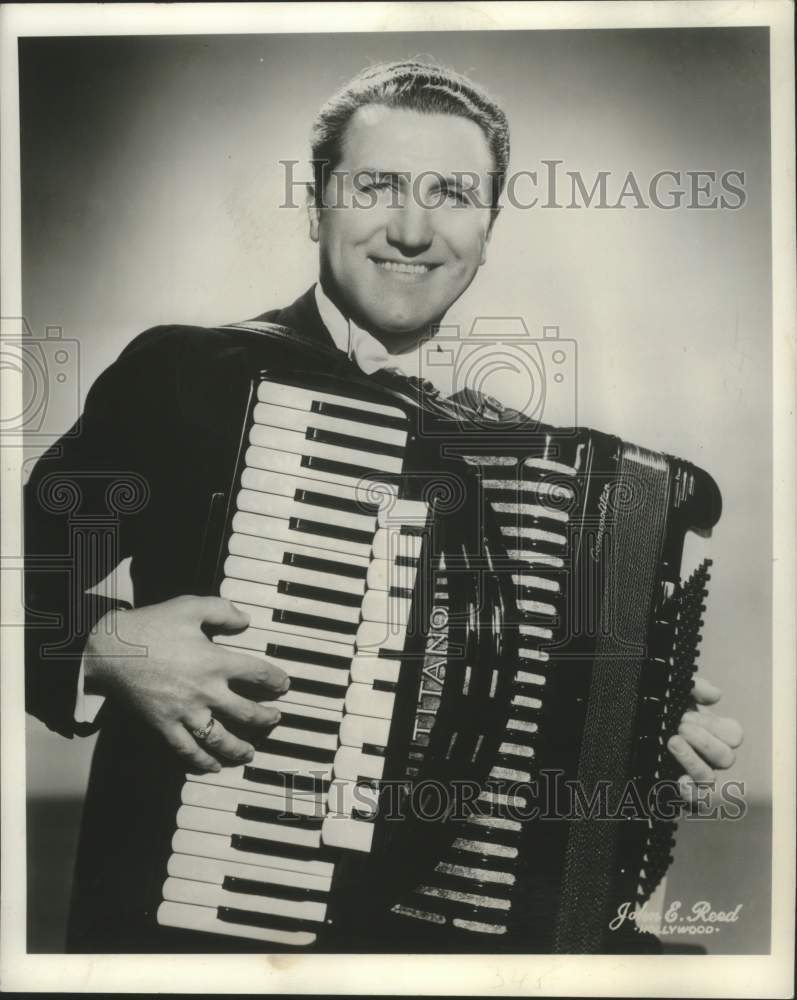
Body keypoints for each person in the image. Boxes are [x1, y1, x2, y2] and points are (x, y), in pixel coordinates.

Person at [24, 59, 743, 953]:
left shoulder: (526, 462)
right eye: (376, 186)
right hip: (205, 932)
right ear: (317, 203)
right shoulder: (186, 377)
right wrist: (107, 643)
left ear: (488, 225)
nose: (412, 229)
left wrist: (630, 728)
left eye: (451, 193)